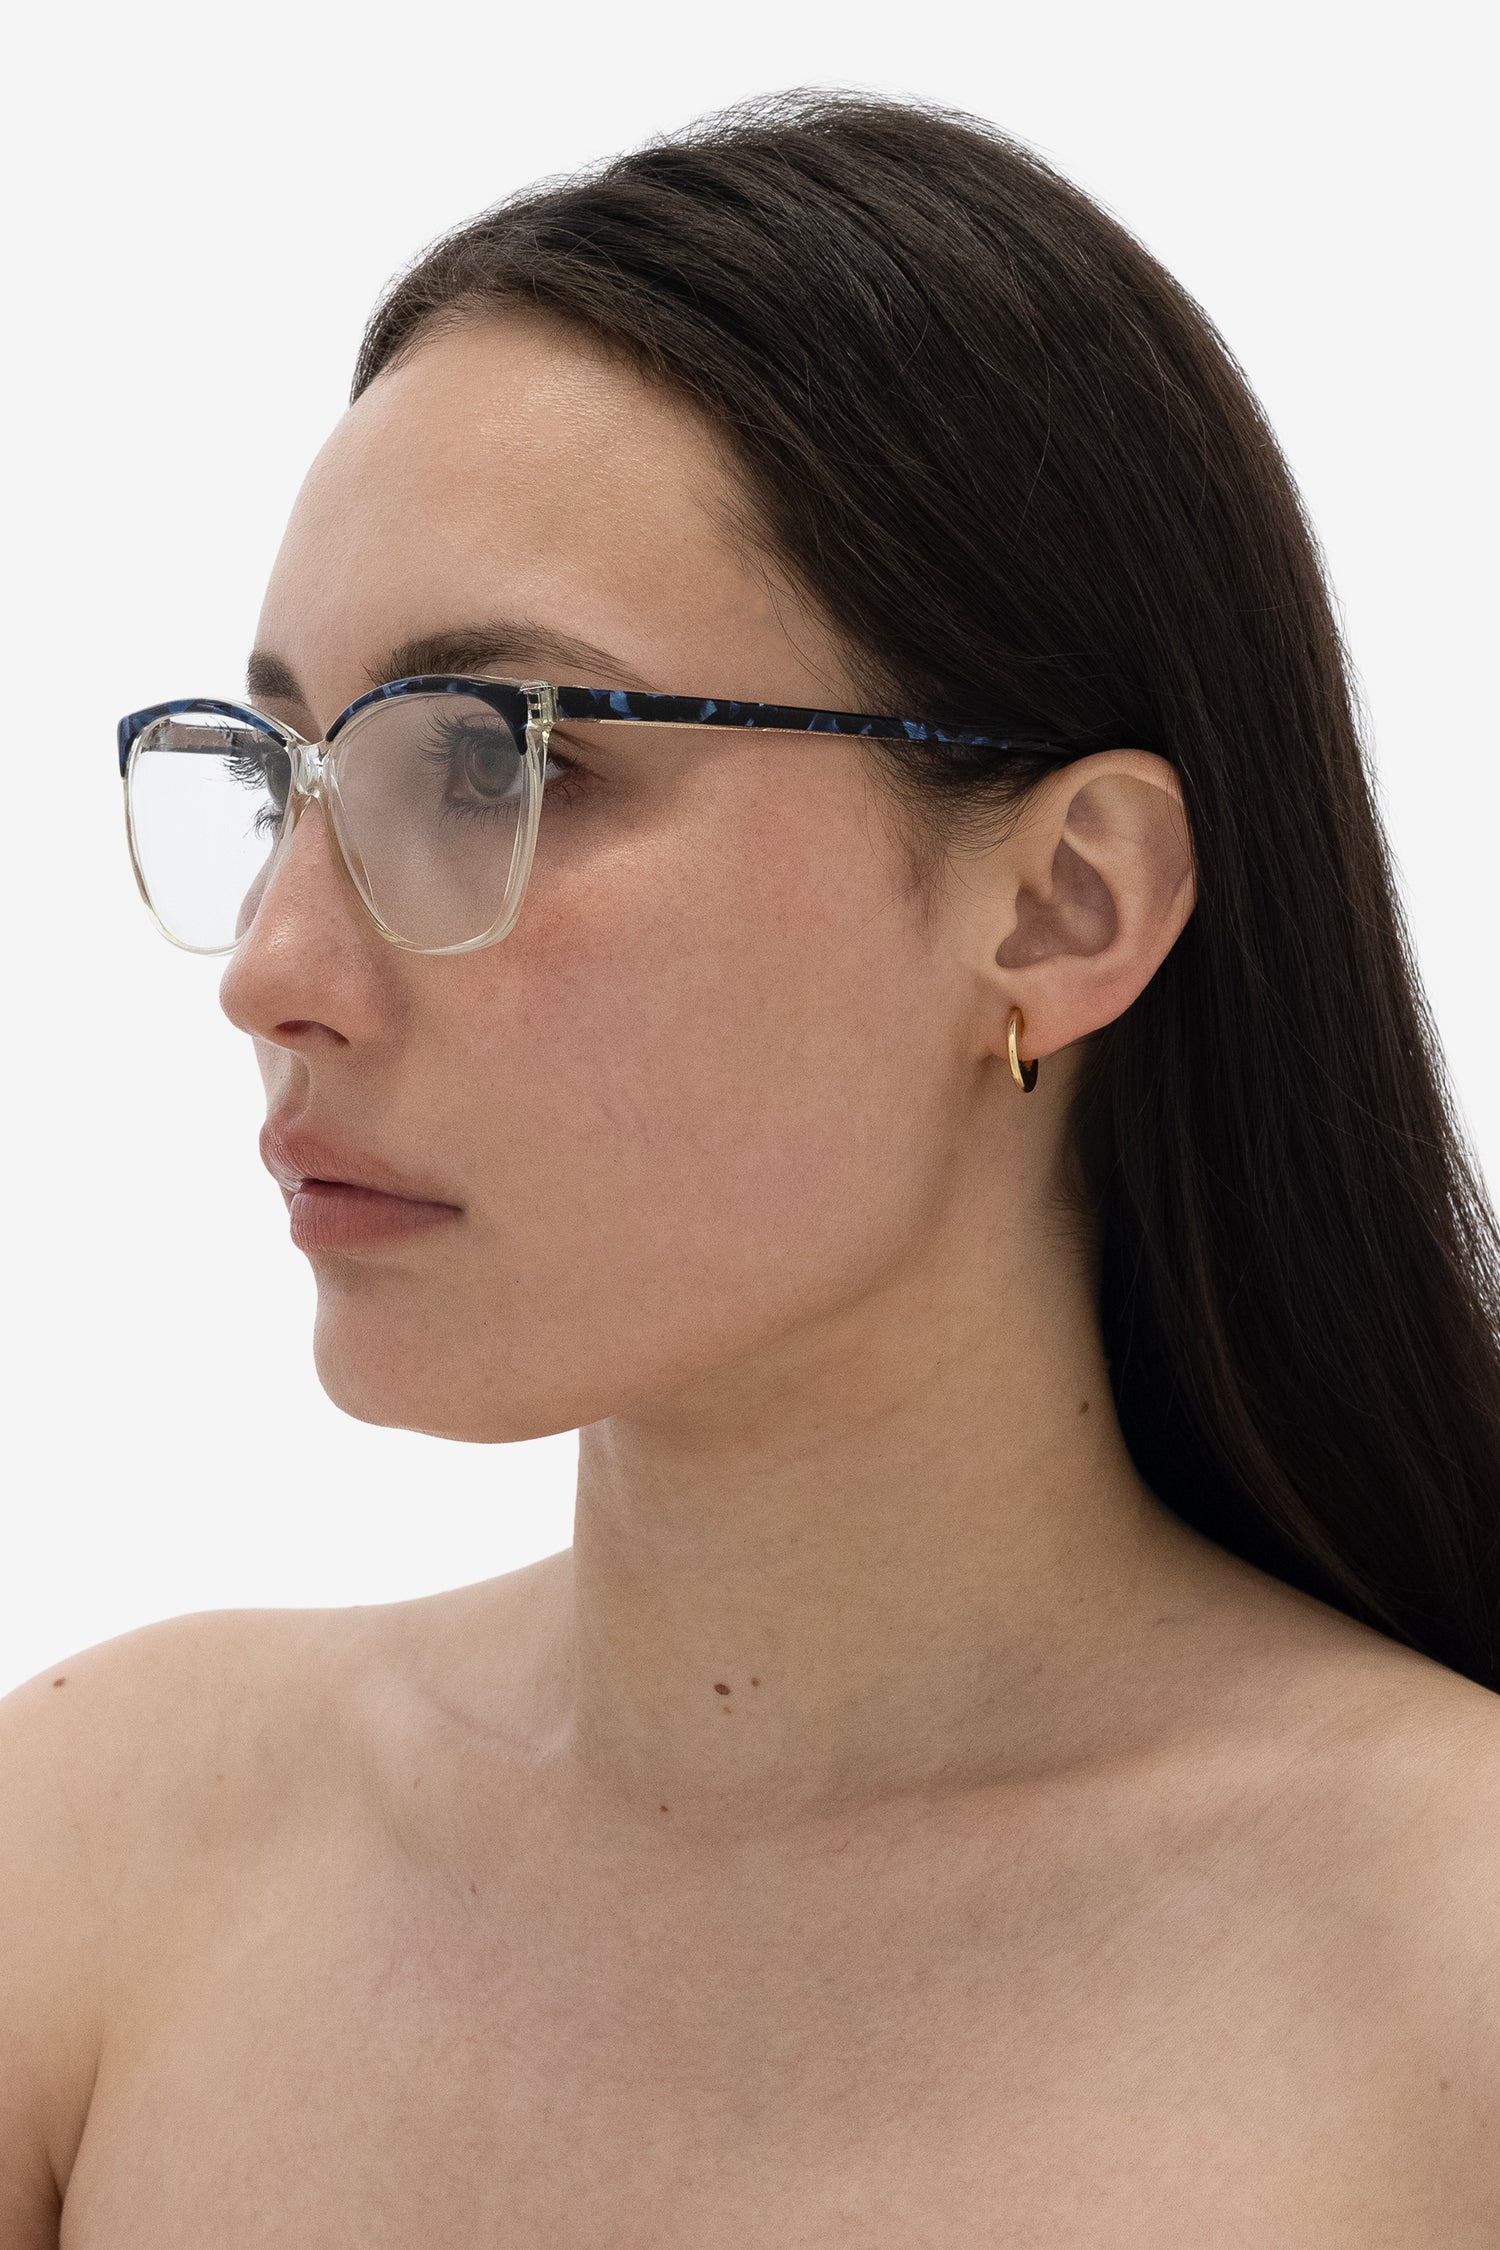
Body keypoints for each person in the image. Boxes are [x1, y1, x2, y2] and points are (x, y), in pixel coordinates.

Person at [5, 87, 1499, 2244]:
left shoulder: (1446, 1975)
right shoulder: (90, 1867)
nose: (274, 972)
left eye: (494, 763)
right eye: (289, 776)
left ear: (1065, 903)